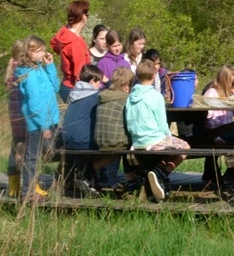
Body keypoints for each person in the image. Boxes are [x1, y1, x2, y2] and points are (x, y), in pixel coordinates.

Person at [126, 60, 190, 202]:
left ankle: (157, 172)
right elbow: (162, 124)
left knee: (168, 144)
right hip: (153, 140)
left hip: (136, 141)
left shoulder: (130, 97)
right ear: (154, 75)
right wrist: (168, 137)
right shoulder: (156, 96)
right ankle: (161, 173)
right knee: (185, 147)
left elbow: (129, 120)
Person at [16, 36, 60, 201]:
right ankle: (28, 191)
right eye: (40, 50)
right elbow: (34, 104)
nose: (44, 52)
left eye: (43, 49)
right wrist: (44, 126)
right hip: (38, 123)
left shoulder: (39, 68)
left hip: (51, 119)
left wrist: (50, 66)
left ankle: (36, 186)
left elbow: (55, 87)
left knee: (50, 152)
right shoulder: (29, 74)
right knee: (33, 156)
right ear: (29, 52)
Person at [93, 67, 141, 198]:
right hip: (115, 141)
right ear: (126, 86)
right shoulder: (125, 100)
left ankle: (92, 170)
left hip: (99, 139)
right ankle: (133, 181)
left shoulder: (103, 96)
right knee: (135, 144)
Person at [61, 65, 104, 198]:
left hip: (65, 140)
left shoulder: (73, 94)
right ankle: (89, 176)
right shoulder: (95, 97)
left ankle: (82, 177)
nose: (100, 85)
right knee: (111, 146)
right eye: (99, 82)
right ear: (92, 80)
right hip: (82, 142)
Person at [50, 0, 91, 103]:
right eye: (87, 14)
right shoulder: (75, 43)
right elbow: (79, 73)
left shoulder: (64, 33)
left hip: (66, 85)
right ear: (83, 17)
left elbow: (54, 44)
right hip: (74, 88)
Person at [5, 39, 27, 198]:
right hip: (25, 117)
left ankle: (13, 186)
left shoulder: (10, 73)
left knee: (15, 149)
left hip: (15, 119)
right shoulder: (21, 73)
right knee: (28, 152)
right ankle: (29, 183)